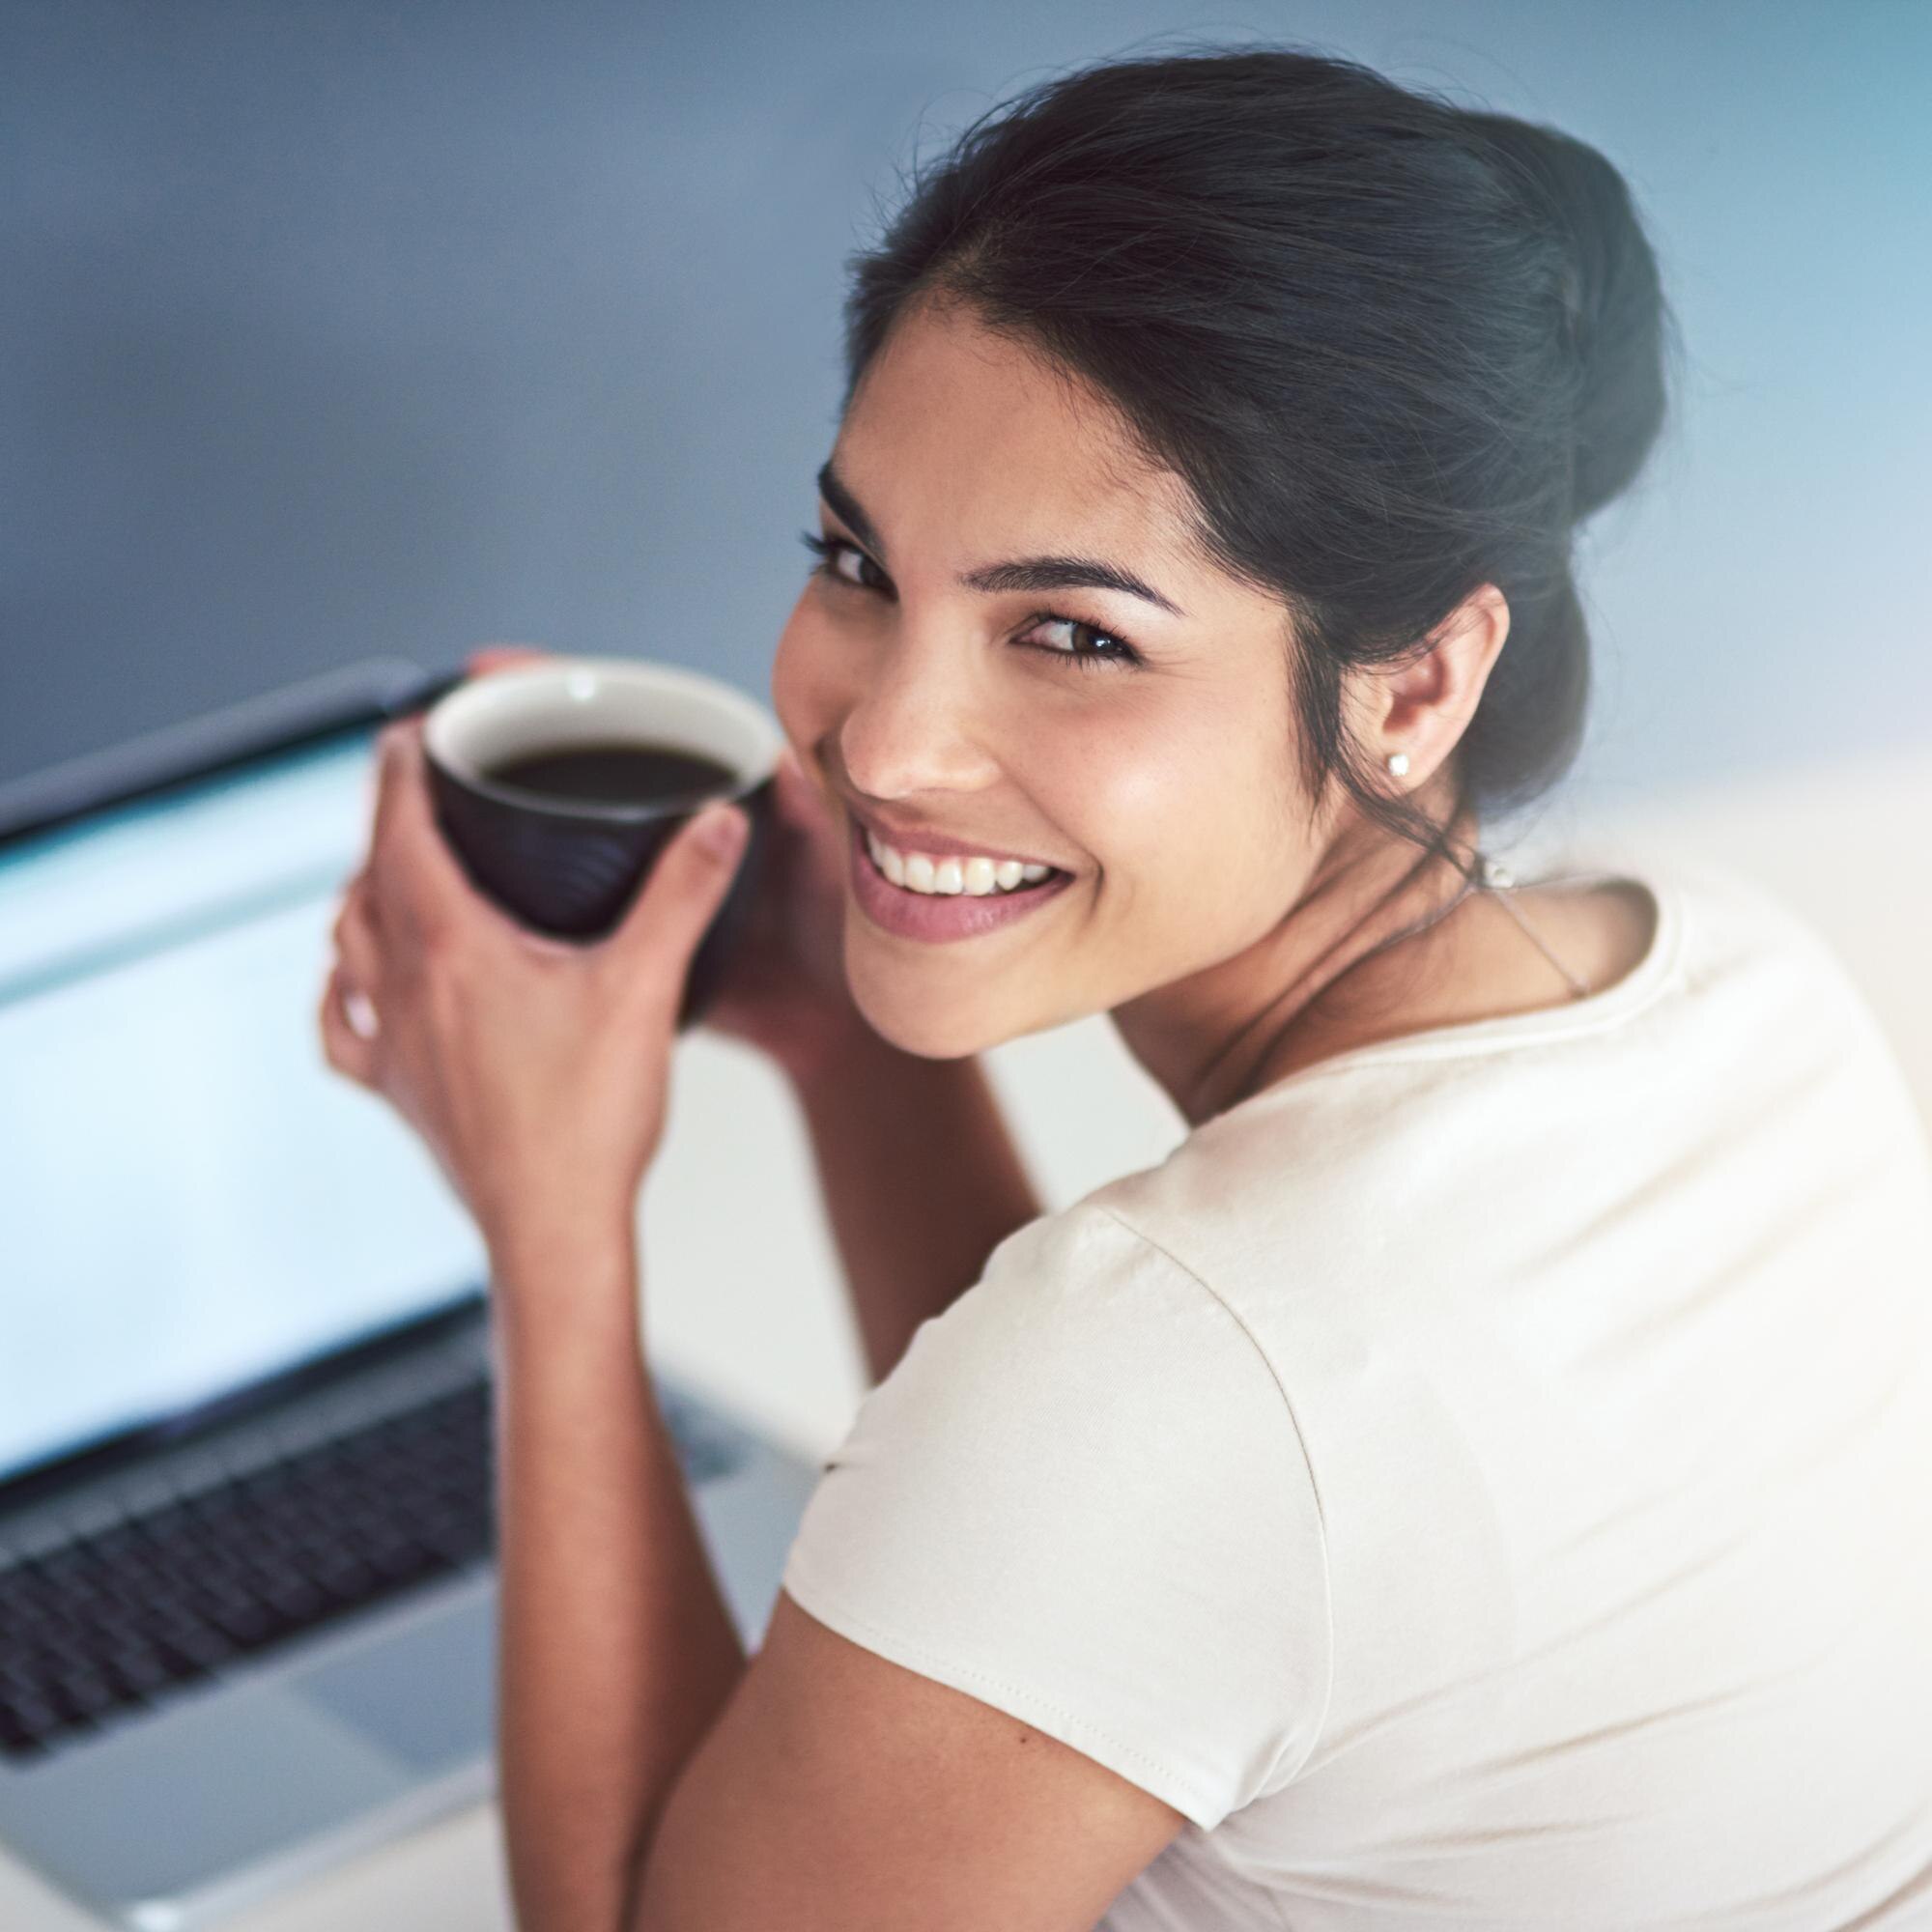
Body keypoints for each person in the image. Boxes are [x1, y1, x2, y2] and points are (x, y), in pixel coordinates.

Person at [321, 43, 1932, 1930]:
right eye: (856, 563)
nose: (884, 744)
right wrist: (851, 1043)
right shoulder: (1737, 975)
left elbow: (1147, 1456)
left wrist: (552, 1221)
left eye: (1073, 635)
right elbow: (1126, 1593)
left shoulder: (1170, 1382)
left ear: (1415, 685)